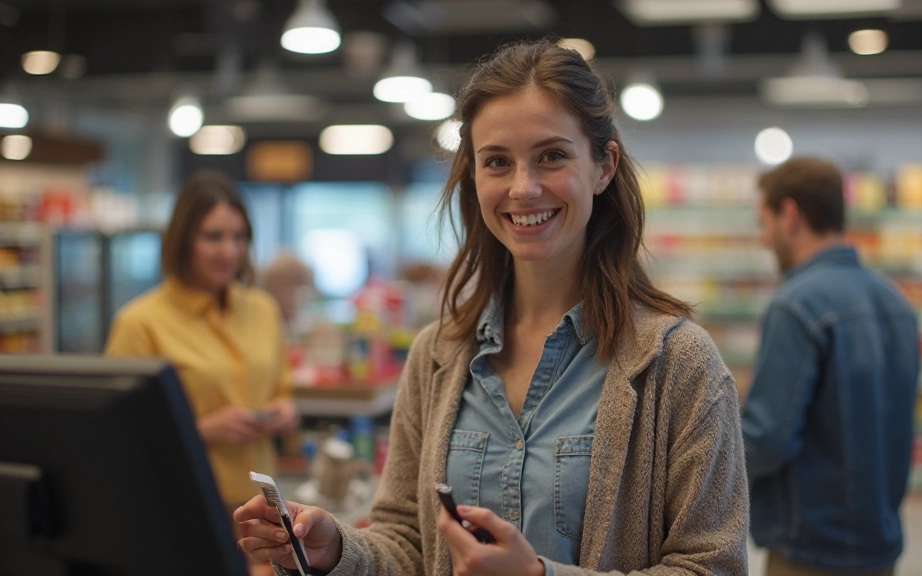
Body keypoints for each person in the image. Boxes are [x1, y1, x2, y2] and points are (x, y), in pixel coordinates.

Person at [234, 40, 749, 576]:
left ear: (603, 166)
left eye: (552, 155)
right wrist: (336, 551)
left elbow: (714, 567)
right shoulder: (438, 355)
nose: (523, 188)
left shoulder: (679, 364)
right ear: (475, 177)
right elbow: (408, 542)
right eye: (498, 162)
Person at [741, 157, 920, 576]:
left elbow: (767, 439)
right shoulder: (896, 302)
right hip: (881, 545)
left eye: (763, 223)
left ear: (790, 215)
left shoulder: (796, 305)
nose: (764, 240)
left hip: (811, 550)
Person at [105, 170, 299, 515]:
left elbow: (280, 389)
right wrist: (202, 430)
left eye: (239, 237)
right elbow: (118, 435)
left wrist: (284, 411)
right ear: (183, 240)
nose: (229, 250)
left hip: (264, 504)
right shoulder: (139, 322)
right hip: (182, 504)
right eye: (213, 236)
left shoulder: (263, 309)